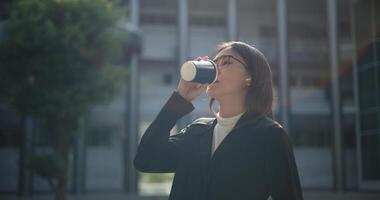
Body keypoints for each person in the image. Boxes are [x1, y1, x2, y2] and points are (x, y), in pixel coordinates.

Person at [134, 41, 303, 200]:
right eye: (214, 64)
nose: (216, 69)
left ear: (249, 77)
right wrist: (180, 99)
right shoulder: (197, 131)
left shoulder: (269, 136)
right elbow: (145, 159)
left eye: (227, 62)